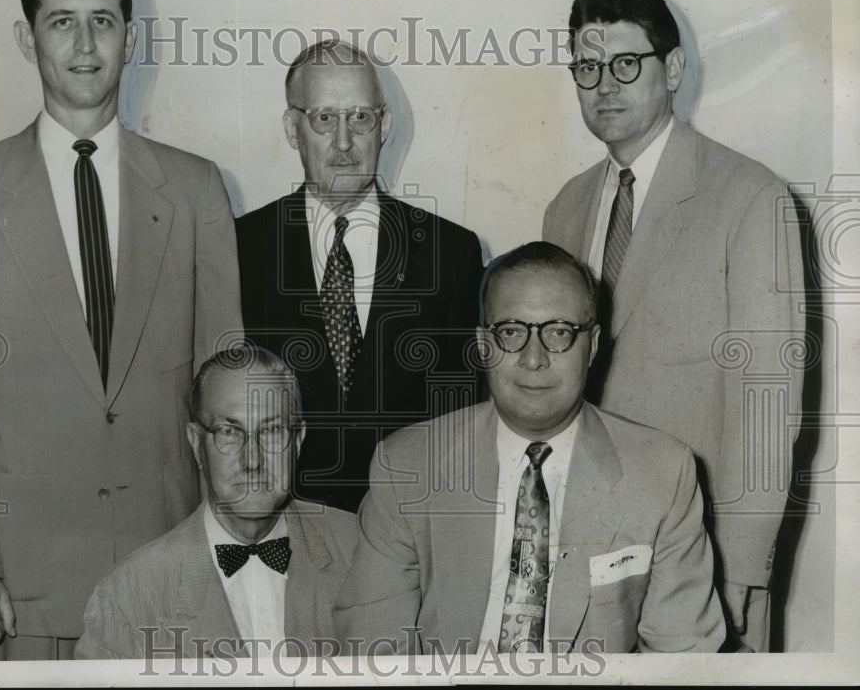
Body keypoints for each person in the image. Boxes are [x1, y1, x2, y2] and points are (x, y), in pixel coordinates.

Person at [0, 0, 242, 659]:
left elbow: (226, 389)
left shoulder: (194, 189)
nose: (86, 43)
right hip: (27, 586)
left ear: (130, 35)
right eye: (62, 21)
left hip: (174, 571)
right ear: (26, 37)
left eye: (103, 19)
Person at [542, 0, 805, 651]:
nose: (605, 84)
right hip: (587, 552)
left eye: (627, 63)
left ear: (675, 69)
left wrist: (744, 573)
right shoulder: (565, 209)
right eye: (588, 68)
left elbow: (768, 408)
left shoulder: (750, 196)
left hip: (704, 560)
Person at [334, 242, 725, 654]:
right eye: (511, 332)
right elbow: (372, 651)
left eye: (559, 332)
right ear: (484, 345)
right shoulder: (407, 466)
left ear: (591, 346)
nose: (533, 358)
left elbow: (683, 657)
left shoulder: (664, 471)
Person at [236, 40, 484, 513]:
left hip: (409, 536)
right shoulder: (241, 249)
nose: (344, 142)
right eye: (324, 119)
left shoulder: (450, 253)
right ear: (293, 128)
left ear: (384, 125)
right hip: (285, 531)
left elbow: (461, 420)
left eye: (360, 118)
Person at [75, 347, 358, 659]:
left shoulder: (361, 551)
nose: (252, 460)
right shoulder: (127, 597)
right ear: (197, 445)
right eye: (229, 431)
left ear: (299, 441)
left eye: (273, 431)